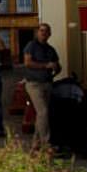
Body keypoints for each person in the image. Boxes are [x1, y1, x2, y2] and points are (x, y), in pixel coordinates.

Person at [23, 23, 61, 152]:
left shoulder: (51, 49)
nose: (43, 33)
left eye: (46, 31)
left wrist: (56, 68)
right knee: (43, 111)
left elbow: (57, 65)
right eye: (41, 30)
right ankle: (46, 144)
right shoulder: (31, 45)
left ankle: (36, 144)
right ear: (37, 32)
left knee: (41, 115)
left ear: (49, 34)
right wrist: (46, 66)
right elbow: (27, 62)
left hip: (47, 83)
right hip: (34, 84)